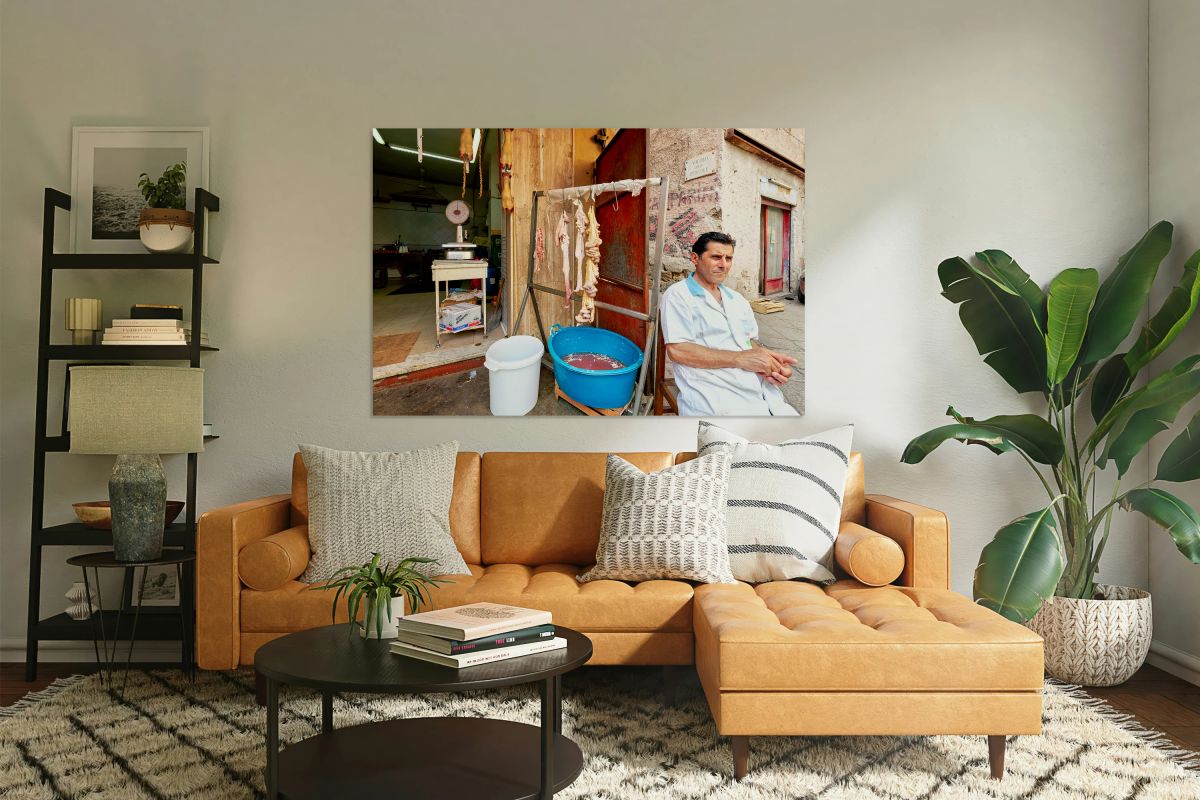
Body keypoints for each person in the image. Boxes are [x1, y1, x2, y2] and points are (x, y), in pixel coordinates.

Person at [658, 232, 799, 416]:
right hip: (714, 391)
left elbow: (750, 342)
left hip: (762, 389)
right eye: (716, 257)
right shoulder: (678, 295)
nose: (723, 264)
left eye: (728, 258)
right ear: (695, 258)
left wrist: (771, 365)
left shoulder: (737, 300)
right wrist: (740, 359)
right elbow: (678, 350)